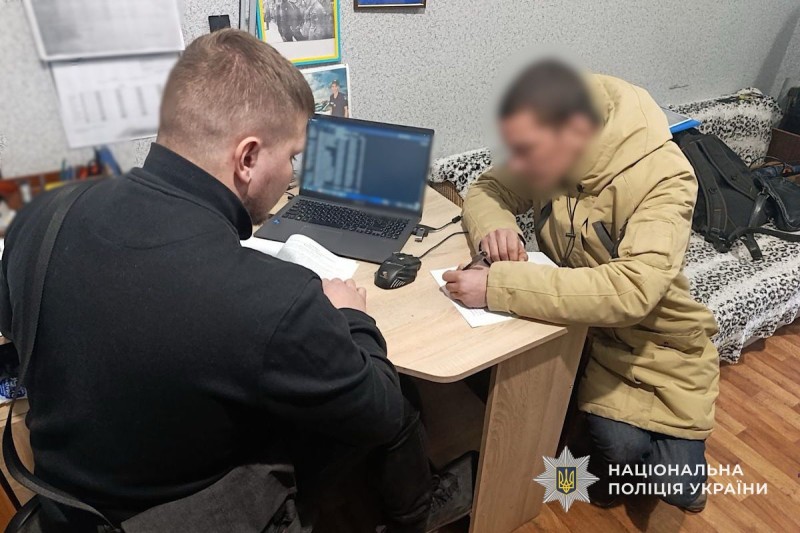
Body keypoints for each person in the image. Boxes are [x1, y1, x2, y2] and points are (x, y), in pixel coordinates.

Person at [0, 30, 471, 532]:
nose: (291, 174)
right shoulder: (272, 298)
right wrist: (352, 316)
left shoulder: (44, 215)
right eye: (291, 157)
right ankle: (418, 516)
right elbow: (379, 413)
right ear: (248, 158)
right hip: (193, 512)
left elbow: (18, 323)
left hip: (68, 507)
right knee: (396, 397)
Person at [443, 60, 720, 511]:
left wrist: (498, 284)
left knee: (677, 488)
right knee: (616, 449)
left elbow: (632, 291)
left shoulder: (666, 176)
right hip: (582, 328)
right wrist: (496, 227)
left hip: (656, 341)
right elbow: (489, 188)